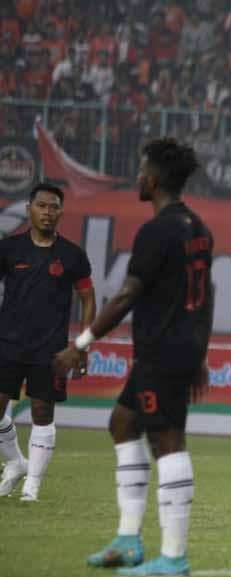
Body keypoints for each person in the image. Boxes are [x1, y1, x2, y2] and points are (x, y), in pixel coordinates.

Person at [56, 138, 213, 577]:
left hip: (162, 350)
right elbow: (207, 296)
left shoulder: (158, 230)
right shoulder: (197, 227)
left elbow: (127, 294)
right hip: (175, 348)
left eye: (143, 170)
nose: (138, 177)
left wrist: (81, 342)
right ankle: (128, 539)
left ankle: (174, 556)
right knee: (122, 423)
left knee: (166, 440)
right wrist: (199, 353)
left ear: (156, 178)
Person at [0, 183, 95, 501]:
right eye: (42, 205)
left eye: (54, 207)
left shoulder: (72, 255)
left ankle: (33, 486)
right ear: (29, 208)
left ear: (61, 212)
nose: (47, 212)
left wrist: (82, 344)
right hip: (7, 343)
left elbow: (87, 297)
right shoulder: (10, 249)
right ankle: (15, 463)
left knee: (42, 412)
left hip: (51, 349)